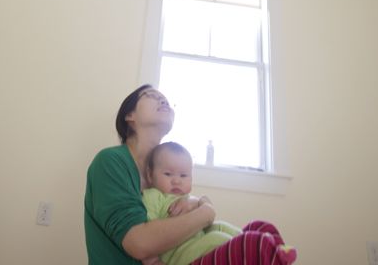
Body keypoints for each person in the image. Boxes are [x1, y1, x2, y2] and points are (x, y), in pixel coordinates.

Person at [84, 84, 297, 265]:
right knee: (250, 246)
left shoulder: (163, 171)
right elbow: (140, 244)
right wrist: (206, 211)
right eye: (151, 96)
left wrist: (199, 201)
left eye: (166, 100)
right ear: (129, 115)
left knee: (259, 228)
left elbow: (180, 204)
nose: (163, 101)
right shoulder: (111, 162)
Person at [142, 141, 297, 265]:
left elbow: (210, 213)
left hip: (198, 242)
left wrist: (196, 201)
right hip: (179, 255)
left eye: (184, 175)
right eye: (168, 174)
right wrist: (153, 261)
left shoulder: (188, 197)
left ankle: (273, 249)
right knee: (218, 237)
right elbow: (146, 233)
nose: (176, 180)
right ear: (150, 175)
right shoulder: (153, 196)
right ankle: (258, 249)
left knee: (256, 226)